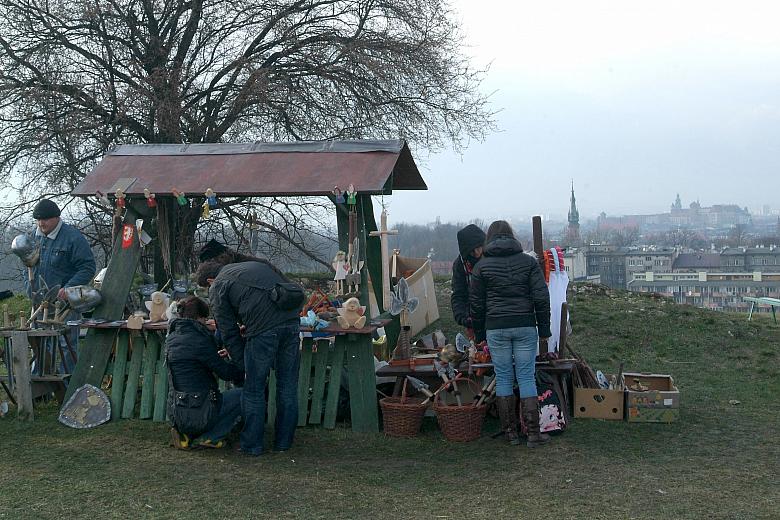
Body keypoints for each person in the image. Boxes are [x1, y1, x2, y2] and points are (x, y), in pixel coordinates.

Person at [195, 258, 303, 456]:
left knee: (254, 389)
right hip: (291, 323)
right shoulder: (255, 266)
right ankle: (283, 443)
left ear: (210, 280)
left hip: (263, 332)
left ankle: (252, 445)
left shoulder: (219, 284)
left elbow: (226, 330)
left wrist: (240, 363)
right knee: (287, 386)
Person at [469, 220, 552, 447]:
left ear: (489, 240)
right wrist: (544, 329)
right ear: (512, 236)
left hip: (496, 327)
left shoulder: (481, 267)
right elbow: (541, 298)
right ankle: (533, 434)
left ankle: (510, 433)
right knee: (526, 377)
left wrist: (479, 335)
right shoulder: (528, 262)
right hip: (525, 325)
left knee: (504, 377)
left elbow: (476, 305)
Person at [167, 296, 244, 450]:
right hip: (201, 407)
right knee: (244, 394)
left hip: (177, 408)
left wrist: (215, 356)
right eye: (205, 319)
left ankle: (186, 433)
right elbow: (225, 373)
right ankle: (212, 437)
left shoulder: (172, 338)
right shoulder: (200, 340)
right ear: (200, 318)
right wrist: (241, 367)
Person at [30, 199, 96, 374]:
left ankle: (68, 385)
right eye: (38, 219)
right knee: (40, 342)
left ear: (56, 218)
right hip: (39, 301)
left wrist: (69, 289)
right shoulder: (34, 236)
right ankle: (41, 387)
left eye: (44, 219)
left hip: (65, 303)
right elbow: (28, 265)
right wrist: (30, 289)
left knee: (66, 344)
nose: (41, 223)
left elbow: (87, 267)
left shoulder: (72, 237)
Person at [451, 224, 487, 343]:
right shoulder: (460, 265)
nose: (477, 253)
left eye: (479, 248)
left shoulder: (492, 258)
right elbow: (458, 293)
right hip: (473, 315)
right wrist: (462, 316)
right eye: (473, 250)